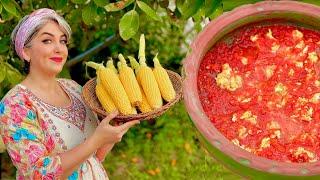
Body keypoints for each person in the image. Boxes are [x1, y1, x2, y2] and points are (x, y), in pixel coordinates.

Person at [0, 8, 140, 179]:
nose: (59, 48)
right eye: (47, 41)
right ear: (25, 51)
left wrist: (112, 132)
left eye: (63, 41)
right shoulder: (15, 104)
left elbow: (93, 158)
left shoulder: (74, 89)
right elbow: (37, 174)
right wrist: (96, 140)